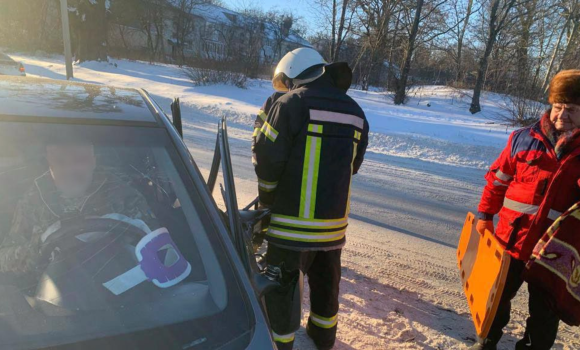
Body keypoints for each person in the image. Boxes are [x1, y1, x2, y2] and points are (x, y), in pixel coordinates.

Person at [253, 47, 369, 350]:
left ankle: (281, 344)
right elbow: (353, 166)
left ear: (292, 74)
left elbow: (267, 160)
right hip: (333, 228)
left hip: (290, 227)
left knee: (284, 289)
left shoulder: (291, 104)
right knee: (326, 285)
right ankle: (323, 337)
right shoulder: (356, 112)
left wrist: (266, 202)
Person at [470, 69, 580, 350]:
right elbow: (497, 180)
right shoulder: (523, 138)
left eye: (572, 110)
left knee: (545, 314)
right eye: (558, 107)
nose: (562, 116)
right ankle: (486, 342)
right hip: (510, 241)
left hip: (553, 254)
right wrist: (484, 216)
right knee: (494, 299)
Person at [0, 141, 156, 277]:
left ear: (93, 162)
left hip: (124, 289)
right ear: (50, 164)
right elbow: (4, 260)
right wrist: (41, 245)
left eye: (80, 160)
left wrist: (126, 233)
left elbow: (157, 246)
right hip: (52, 298)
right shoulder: (33, 201)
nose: (70, 170)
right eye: (60, 161)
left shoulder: (122, 193)